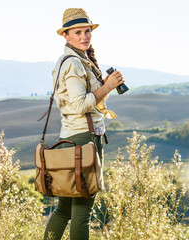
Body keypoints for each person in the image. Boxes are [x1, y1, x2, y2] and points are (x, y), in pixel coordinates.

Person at [43, 8, 124, 240]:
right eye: (77, 32)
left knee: (65, 209)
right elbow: (80, 105)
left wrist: (105, 85)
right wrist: (107, 87)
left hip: (69, 139)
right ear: (65, 36)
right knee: (82, 211)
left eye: (87, 31)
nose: (84, 37)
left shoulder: (69, 61)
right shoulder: (75, 64)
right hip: (84, 141)